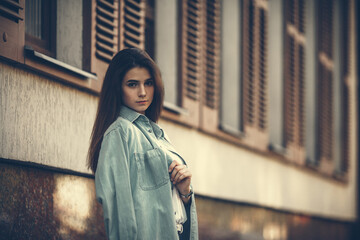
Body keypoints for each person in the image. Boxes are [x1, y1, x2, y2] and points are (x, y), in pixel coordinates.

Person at [87, 48, 198, 240]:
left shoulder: (158, 134)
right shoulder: (120, 132)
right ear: (117, 88)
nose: (143, 92)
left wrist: (186, 192)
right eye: (132, 84)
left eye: (148, 83)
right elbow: (120, 212)